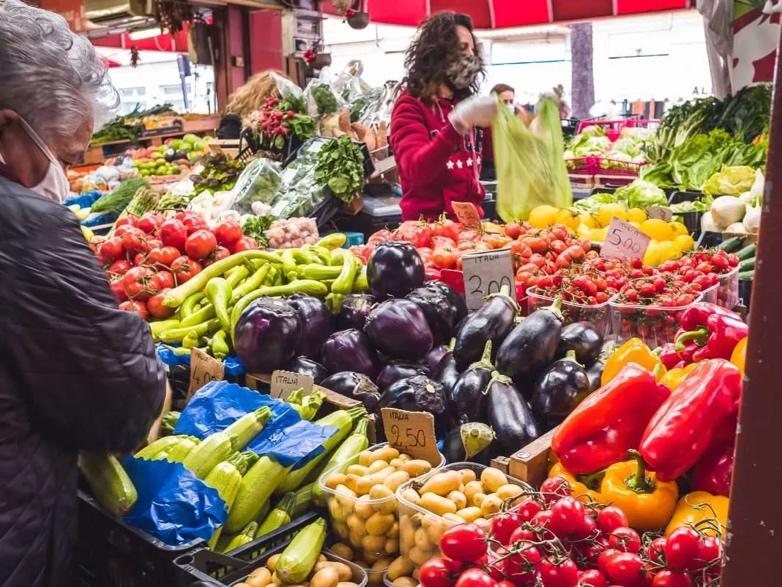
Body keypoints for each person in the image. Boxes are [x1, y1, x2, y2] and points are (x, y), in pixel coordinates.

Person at [0, 2, 167, 585]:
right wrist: (139, 352)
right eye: (64, 155)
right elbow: (118, 407)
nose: (65, 176)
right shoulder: (25, 228)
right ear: (5, 125)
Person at [390, 12, 498, 221]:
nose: (470, 57)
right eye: (462, 48)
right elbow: (415, 169)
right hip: (427, 229)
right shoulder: (410, 106)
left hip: (471, 227)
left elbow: (496, 157)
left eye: (473, 50)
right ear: (438, 53)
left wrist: (520, 127)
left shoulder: (465, 103)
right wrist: (457, 126)